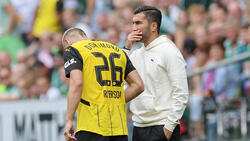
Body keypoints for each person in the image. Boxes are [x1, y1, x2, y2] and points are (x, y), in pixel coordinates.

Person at [62, 28, 144, 141]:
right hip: (119, 128)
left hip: (91, 126)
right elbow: (138, 85)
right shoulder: (117, 50)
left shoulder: (73, 50)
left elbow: (77, 83)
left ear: (68, 42)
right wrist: (115, 100)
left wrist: (69, 120)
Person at [123, 6, 189, 141]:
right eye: (133, 23)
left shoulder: (169, 50)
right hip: (138, 127)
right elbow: (118, 79)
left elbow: (181, 93)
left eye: (139, 23)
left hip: (161, 127)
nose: (134, 28)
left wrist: (168, 129)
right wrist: (127, 47)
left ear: (154, 26)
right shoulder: (135, 54)